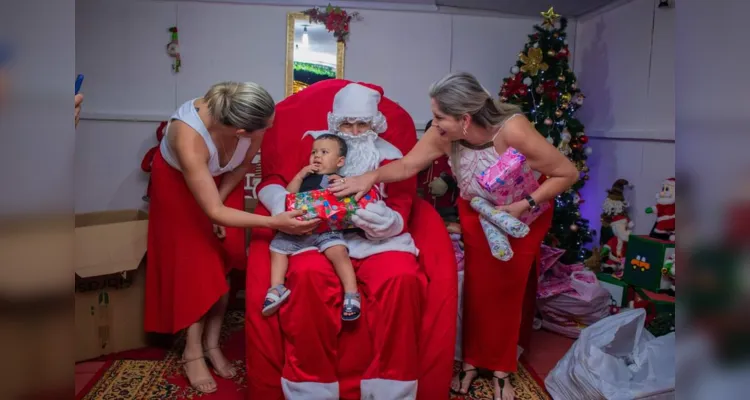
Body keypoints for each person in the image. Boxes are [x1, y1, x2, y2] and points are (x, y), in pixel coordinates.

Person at [329, 72, 578, 400]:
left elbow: (567, 172)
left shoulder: (513, 130)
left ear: (466, 119)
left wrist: (524, 204)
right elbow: (407, 166)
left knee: (505, 290)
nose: (434, 123)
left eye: (439, 116)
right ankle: (473, 359)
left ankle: (502, 366)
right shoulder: (444, 134)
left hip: (522, 216)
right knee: (476, 287)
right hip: (476, 211)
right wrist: (370, 176)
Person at [143, 81, 319, 394]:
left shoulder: (256, 117)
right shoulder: (187, 136)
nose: (269, 130)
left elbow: (241, 166)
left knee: (227, 256)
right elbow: (210, 210)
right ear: (240, 131)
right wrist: (275, 221)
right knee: (196, 265)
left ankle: (212, 343)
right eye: (262, 129)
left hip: (224, 182)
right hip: (177, 185)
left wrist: (222, 200)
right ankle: (192, 351)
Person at [254, 82, 426, 399]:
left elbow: (402, 204)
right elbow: (275, 181)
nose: (355, 130)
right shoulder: (317, 147)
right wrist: (286, 207)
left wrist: (383, 220)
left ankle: (391, 388)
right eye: (348, 122)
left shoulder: (390, 157)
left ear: (375, 125)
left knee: (401, 277)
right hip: (314, 235)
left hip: (375, 241)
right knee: (307, 276)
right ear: (336, 122)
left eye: (363, 123)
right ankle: (311, 387)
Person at [262, 134, 361, 321]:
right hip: (297, 229)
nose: (317, 156)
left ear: (340, 161)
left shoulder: (339, 179)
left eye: (324, 152)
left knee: (339, 250)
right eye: (314, 152)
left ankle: (351, 293)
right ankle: (277, 287)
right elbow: (288, 195)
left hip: (326, 230)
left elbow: (347, 201)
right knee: (276, 247)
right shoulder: (305, 178)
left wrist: (339, 183)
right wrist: (300, 175)